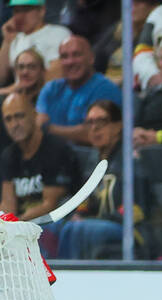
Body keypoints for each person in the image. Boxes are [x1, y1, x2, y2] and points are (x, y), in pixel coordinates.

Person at [56, 99, 147, 259]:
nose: (95, 128)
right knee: (52, 226)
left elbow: (136, 208)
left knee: (76, 229)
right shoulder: (93, 160)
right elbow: (85, 200)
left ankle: (66, 278)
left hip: (129, 229)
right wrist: (78, 214)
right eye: (90, 122)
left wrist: (92, 220)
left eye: (102, 121)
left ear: (118, 126)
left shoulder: (130, 159)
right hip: (96, 225)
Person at [0, 91, 81, 255]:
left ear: (34, 115)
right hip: (22, 225)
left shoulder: (56, 149)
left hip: (54, 222)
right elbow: (8, 204)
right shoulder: (9, 155)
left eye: (19, 116)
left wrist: (17, 227)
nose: (14, 124)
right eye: (8, 119)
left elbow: (49, 205)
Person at [35, 35, 121, 146]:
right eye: (64, 57)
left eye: (76, 55)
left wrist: (48, 128)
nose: (70, 62)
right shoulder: (50, 89)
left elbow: (95, 133)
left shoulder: (105, 89)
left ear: (91, 58)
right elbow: (37, 125)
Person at [0, 0, 69, 88]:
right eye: (17, 11)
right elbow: (1, 78)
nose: (20, 16)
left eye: (26, 10)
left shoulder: (58, 33)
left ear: (41, 11)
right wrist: (7, 41)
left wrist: (8, 91)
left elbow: (53, 80)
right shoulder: (16, 38)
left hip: (45, 96)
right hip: (18, 96)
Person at [93, 0, 157, 87]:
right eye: (130, 3)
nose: (133, 7)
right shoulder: (117, 29)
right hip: (104, 83)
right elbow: (96, 54)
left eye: (138, 3)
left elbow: (142, 69)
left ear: (152, 7)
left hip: (130, 89)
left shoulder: (153, 33)